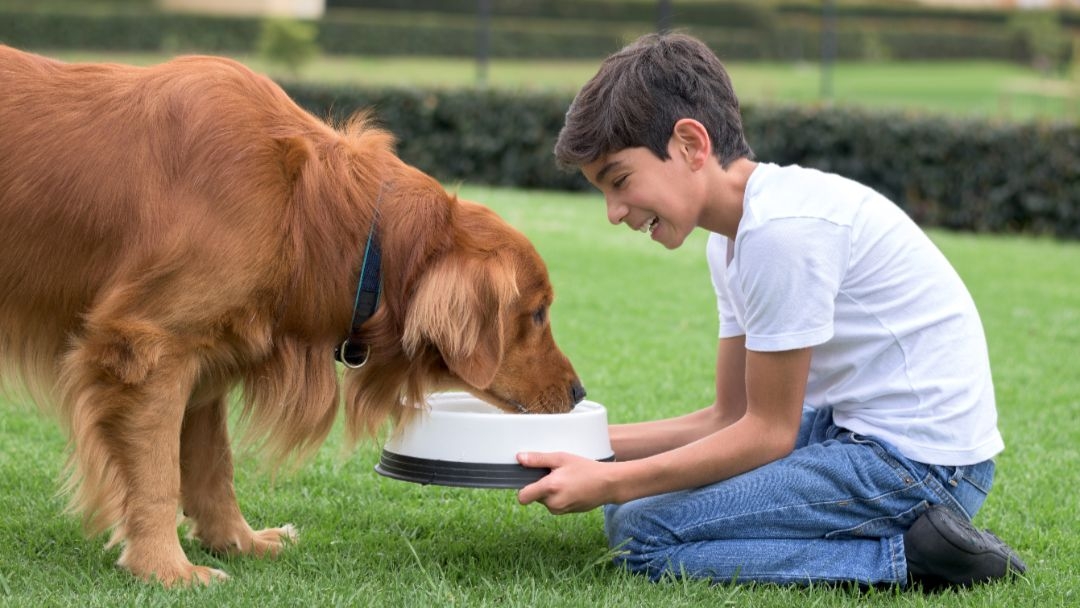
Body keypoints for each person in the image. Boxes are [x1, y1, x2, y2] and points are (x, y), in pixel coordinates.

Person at [515, 32, 1027, 589]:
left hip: (923, 468)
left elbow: (768, 433)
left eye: (619, 181)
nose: (614, 212)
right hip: (853, 435)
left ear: (690, 144)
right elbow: (728, 415)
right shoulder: (731, 239)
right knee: (630, 505)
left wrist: (612, 481)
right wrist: (581, 447)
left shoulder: (782, 235)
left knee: (641, 535)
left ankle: (912, 557)